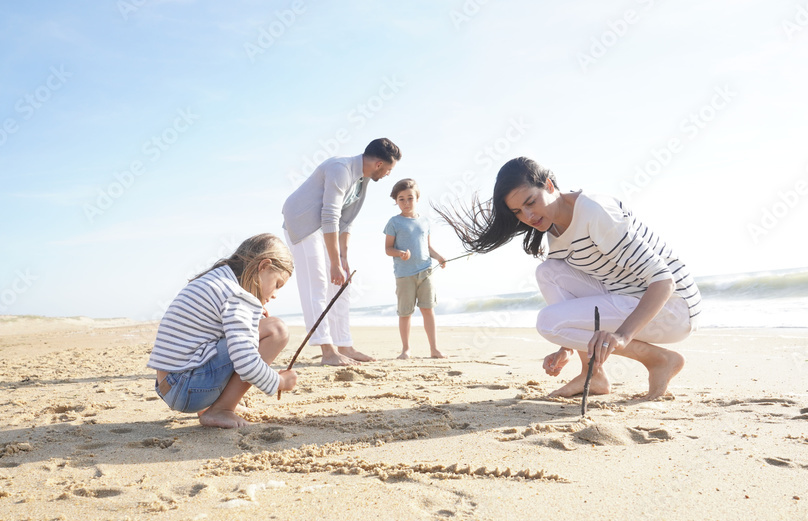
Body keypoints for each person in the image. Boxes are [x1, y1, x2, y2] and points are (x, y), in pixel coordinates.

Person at [437, 157, 701, 400]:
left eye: (530, 202)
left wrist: (622, 336)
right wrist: (566, 346)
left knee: (548, 322)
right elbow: (577, 297)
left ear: (549, 185)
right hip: (628, 297)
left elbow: (664, 281)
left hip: (673, 309)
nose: (528, 217)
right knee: (548, 272)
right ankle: (594, 375)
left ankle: (657, 359)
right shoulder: (553, 226)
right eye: (518, 212)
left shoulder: (595, 213)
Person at [148, 234, 297, 428]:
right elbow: (246, 363)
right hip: (186, 389)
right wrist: (280, 382)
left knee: (257, 330)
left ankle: (214, 406)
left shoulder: (218, 280)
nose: (276, 294)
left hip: (169, 385)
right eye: (277, 284)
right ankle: (222, 409)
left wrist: (254, 318)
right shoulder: (237, 295)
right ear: (263, 266)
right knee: (277, 330)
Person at [282, 138, 402, 366]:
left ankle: (344, 344)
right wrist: (334, 263)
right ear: (378, 164)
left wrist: (342, 259)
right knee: (317, 283)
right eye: (389, 169)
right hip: (303, 223)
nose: (388, 174)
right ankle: (328, 351)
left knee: (341, 283)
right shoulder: (341, 169)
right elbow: (330, 216)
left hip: (325, 227)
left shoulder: (362, 180)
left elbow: (346, 221)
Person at [384, 178, 447, 359]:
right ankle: (406, 349)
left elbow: (427, 247)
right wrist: (400, 253)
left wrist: (439, 257)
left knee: (428, 309)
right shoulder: (394, 222)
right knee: (405, 313)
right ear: (396, 201)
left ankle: (434, 349)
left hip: (426, 272)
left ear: (417, 199)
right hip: (404, 275)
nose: (406, 202)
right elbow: (388, 249)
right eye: (401, 199)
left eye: (410, 198)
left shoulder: (425, 222)